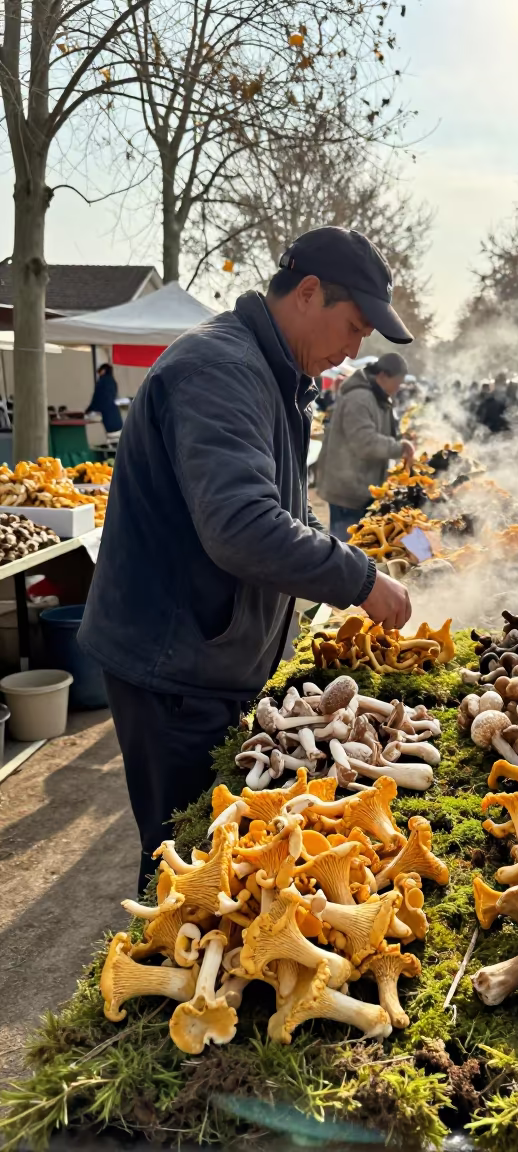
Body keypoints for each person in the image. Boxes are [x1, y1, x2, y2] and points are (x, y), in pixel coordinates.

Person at [79, 225, 414, 892]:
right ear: (308, 293)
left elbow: (284, 509)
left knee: (217, 855)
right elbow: (240, 525)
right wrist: (360, 579)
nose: (353, 351)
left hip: (200, 657)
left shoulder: (268, 372)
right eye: (352, 328)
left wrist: (344, 558)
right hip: (172, 667)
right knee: (187, 866)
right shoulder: (221, 370)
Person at [316, 352, 414, 540]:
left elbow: (382, 432)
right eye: (398, 382)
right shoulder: (360, 398)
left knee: (360, 547)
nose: (398, 388)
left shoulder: (379, 396)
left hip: (362, 486)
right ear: (383, 375)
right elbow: (365, 443)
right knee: (347, 547)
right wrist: (399, 447)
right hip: (348, 489)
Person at [87, 363, 123, 435]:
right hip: (115, 414)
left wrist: (89, 409)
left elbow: (97, 397)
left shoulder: (102, 382)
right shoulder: (113, 381)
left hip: (106, 414)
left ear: (103, 371)